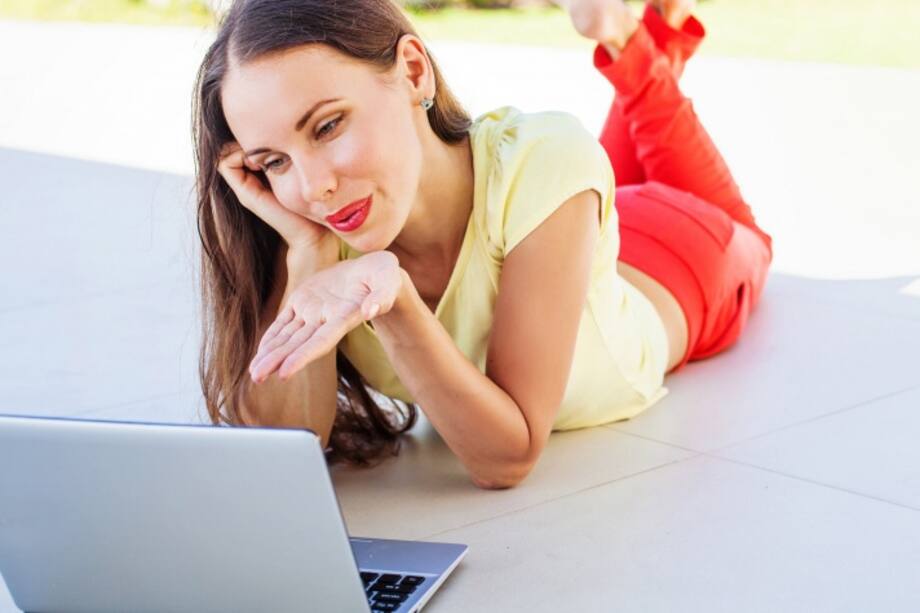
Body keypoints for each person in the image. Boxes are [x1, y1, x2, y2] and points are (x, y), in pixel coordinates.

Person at [191, 0, 772, 489]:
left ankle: (631, 41)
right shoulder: (316, 224)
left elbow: (507, 456)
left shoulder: (543, 162)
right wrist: (308, 254)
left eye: (327, 126)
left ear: (413, 71)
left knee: (747, 234)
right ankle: (644, 39)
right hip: (557, 234)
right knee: (577, 174)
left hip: (678, 255)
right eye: (273, 161)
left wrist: (393, 301)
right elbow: (283, 449)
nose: (313, 187)